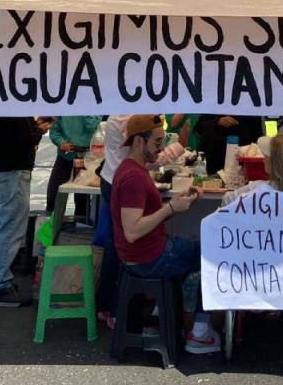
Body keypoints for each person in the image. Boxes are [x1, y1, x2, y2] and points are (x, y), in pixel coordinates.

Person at [111, 114, 220, 354]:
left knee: (195, 246)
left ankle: (161, 316)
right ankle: (201, 333)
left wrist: (178, 205)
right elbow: (132, 231)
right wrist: (171, 208)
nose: (160, 148)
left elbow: (145, 221)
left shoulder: (133, 169)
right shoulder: (133, 177)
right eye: (157, 142)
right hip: (147, 257)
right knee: (212, 254)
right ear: (139, 141)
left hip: (148, 250)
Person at [96, 114, 187, 328]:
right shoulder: (132, 122)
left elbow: (149, 151)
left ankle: (114, 307)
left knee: (116, 246)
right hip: (142, 248)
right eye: (158, 141)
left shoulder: (123, 114)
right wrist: (178, 147)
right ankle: (118, 310)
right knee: (120, 247)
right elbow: (151, 155)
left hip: (113, 178)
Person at [0, 116, 53, 307]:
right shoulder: (13, 110)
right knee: (9, 230)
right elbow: (22, 139)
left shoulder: (0, 106)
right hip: (12, 173)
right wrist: (39, 130)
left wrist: (34, 126)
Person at [47, 115, 102, 216]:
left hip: (87, 159)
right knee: (53, 196)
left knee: (82, 200)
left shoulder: (96, 108)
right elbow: (54, 131)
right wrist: (61, 143)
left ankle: (81, 226)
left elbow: (92, 127)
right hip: (64, 157)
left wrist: (85, 110)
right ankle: (49, 225)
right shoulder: (63, 106)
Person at [194, 115, 263, 174]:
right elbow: (199, 128)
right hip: (216, 159)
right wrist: (218, 121)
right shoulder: (214, 104)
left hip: (245, 159)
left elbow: (258, 137)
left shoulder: (250, 106)